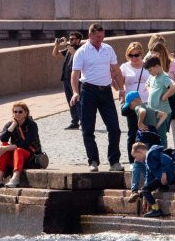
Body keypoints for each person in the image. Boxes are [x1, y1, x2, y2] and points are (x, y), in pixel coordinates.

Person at [70, 23, 125, 172]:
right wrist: (76, 92)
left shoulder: (108, 49)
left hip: (105, 91)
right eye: (98, 37)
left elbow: (116, 70)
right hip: (88, 90)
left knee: (114, 128)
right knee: (88, 128)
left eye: (103, 36)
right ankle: (93, 160)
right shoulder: (82, 52)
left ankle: (114, 161)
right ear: (90, 36)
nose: (101, 39)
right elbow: (75, 74)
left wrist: (121, 89)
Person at [123, 91, 167, 200]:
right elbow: (163, 114)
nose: (131, 108)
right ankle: (149, 188)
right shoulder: (150, 109)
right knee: (150, 163)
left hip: (144, 137)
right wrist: (156, 126)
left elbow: (141, 111)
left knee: (138, 162)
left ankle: (134, 191)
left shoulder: (139, 107)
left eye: (130, 105)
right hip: (155, 137)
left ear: (135, 100)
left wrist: (139, 123)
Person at [0, 102, 41, 189]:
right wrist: (13, 125)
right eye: (15, 112)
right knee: (3, 145)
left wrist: (7, 148)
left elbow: (25, 144)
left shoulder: (32, 125)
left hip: (29, 156)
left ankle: (16, 178)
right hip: (16, 156)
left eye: (20, 112)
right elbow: (3, 138)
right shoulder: (10, 124)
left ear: (26, 113)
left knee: (17, 149)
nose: (17, 114)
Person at [130, 142, 175, 218]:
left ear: (140, 152)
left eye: (136, 156)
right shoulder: (147, 161)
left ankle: (156, 210)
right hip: (163, 179)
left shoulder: (151, 153)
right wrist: (146, 195)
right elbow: (148, 176)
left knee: (144, 190)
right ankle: (155, 208)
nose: (136, 160)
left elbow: (166, 159)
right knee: (145, 190)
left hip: (170, 175)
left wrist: (164, 173)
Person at [119, 41, 148, 154]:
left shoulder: (147, 65)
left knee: (146, 130)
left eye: (136, 55)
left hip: (146, 101)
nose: (134, 58)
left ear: (141, 54)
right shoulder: (124, 67)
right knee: (133, 132)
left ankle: (146, 156)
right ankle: (133, 159)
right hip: (132, 104)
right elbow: (118, 83)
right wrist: (121, 92)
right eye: (131, 55)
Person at [144, 54, 175, 148]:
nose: (149, 72)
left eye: (150, 70)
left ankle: (163, 155)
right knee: (153, 135)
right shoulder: (152, 77)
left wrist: (165, 96)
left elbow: (174, 87)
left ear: (157, 66)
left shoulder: (164, 77)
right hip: (153, 111)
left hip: (163, 112)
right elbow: (146, 84)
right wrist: (150, 91)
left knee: (161, 136)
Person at [52, 31, 83, 130]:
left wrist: (66, 44)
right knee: (71, 101)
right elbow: (55, 54)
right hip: (66, 78)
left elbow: (76, 54)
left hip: (76, 79)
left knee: (78, 100)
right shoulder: (68, 50)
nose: (70, 41)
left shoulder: (81, 49)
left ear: (78, 40)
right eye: (70, 39)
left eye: (72, 39)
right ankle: (75, 122)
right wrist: (56, 45)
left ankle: (83, 122)